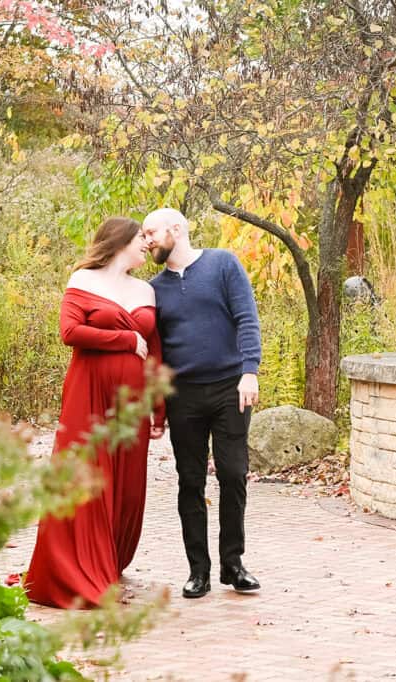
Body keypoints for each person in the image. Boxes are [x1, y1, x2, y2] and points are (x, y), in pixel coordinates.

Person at [23, 217, 166, 609]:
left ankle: (108, 561)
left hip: (132, 402)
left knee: (126, 481)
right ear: (120, 241)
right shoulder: (82, 281)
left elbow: (154, 352)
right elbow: (70, 333)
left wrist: (158, 407)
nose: (146, 245)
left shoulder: (146, 291)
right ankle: (78, 567)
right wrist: (125, 338)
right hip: (89, 395)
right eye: (141, 239)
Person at [142, 207, 262, 599]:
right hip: (184, 395)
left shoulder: (223, 264)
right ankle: (199, 571)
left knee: (232, 473)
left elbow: (246, 318)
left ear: (176, 229)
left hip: (230, 388)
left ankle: (233, 563)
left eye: (151, 233)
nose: (147, 241)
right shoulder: (154, 289)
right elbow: (154, 350)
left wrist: (250, 370)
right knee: (190, 481)